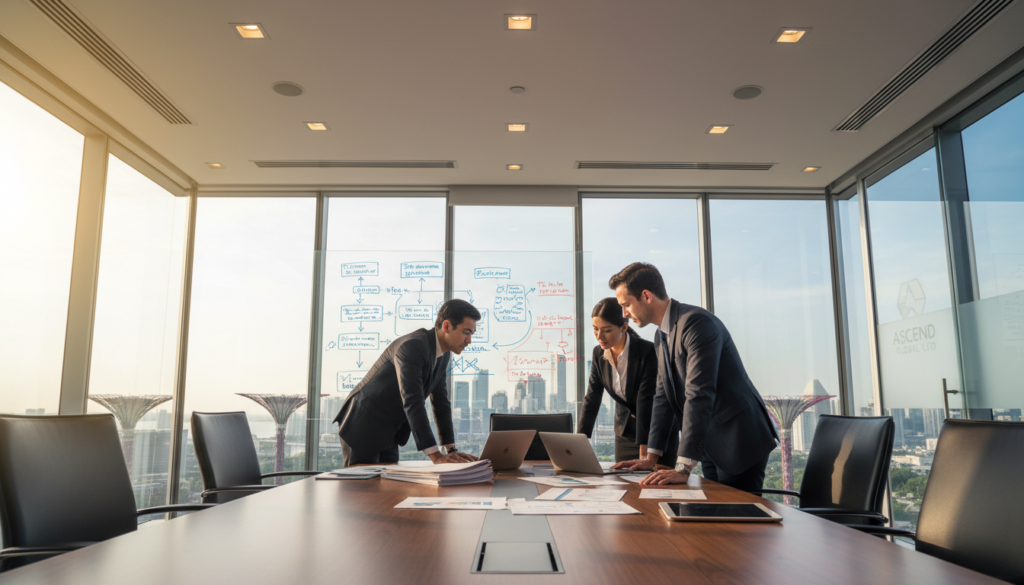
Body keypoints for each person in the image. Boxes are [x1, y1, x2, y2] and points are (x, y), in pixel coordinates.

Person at [609, 263, 779, 491]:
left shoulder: (696, 324)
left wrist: (683, 467)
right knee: (716, 519)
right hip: (711, 443)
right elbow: (662, 397)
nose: (624, 314)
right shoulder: (662, 336)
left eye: (626, 305)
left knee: (738, 521)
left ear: (646, 296)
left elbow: (699, 393)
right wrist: (651, 456)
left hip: (739, 440)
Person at [333, 299, 482, 467]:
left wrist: (450, 449)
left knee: (388, 489)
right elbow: (413, 400)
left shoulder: (443, 355)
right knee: (361, 490)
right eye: (466, 332)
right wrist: (436, 456)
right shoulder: (412, 346)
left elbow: (441, 402)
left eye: (471, 334)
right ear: (446, 326)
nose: (469, 340)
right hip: (363, 426)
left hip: (390, 431)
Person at [579, 298, 678, 466]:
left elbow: (645, 399)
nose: (599, 336)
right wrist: (579, 441)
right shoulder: (598, 354)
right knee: (624, 485)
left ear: (624, 327)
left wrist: (644, 451)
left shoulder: (648, 351)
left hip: (654, 434)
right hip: (624, 434)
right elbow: (592, 397)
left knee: (654, 486)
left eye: (606, 330)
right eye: (595, 329)